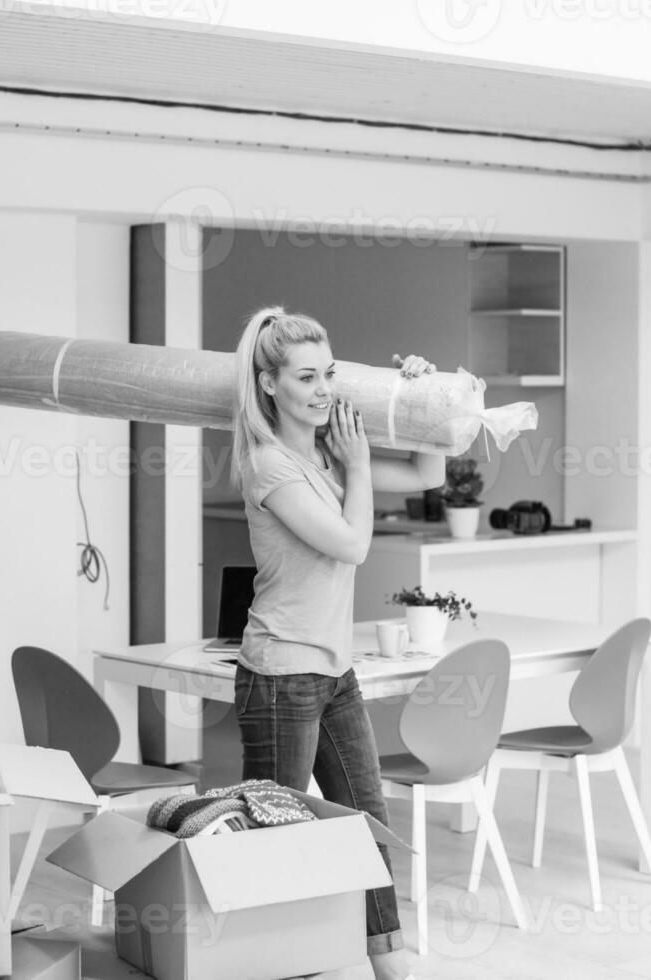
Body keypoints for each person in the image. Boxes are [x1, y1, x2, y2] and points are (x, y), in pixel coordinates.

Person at [231, 307, 444, 980]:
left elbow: (427, 477)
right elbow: (352, 546)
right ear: (269, 384)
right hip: (279, 676)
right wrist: (357, 465)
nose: (322, 390)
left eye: (328, 374)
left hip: (331, 673)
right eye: (304, 377)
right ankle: (269, 964)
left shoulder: (328, 452)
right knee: (278, 837)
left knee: (365, 824)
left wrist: (421, 398)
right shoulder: (268, 466)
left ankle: (391, 971)